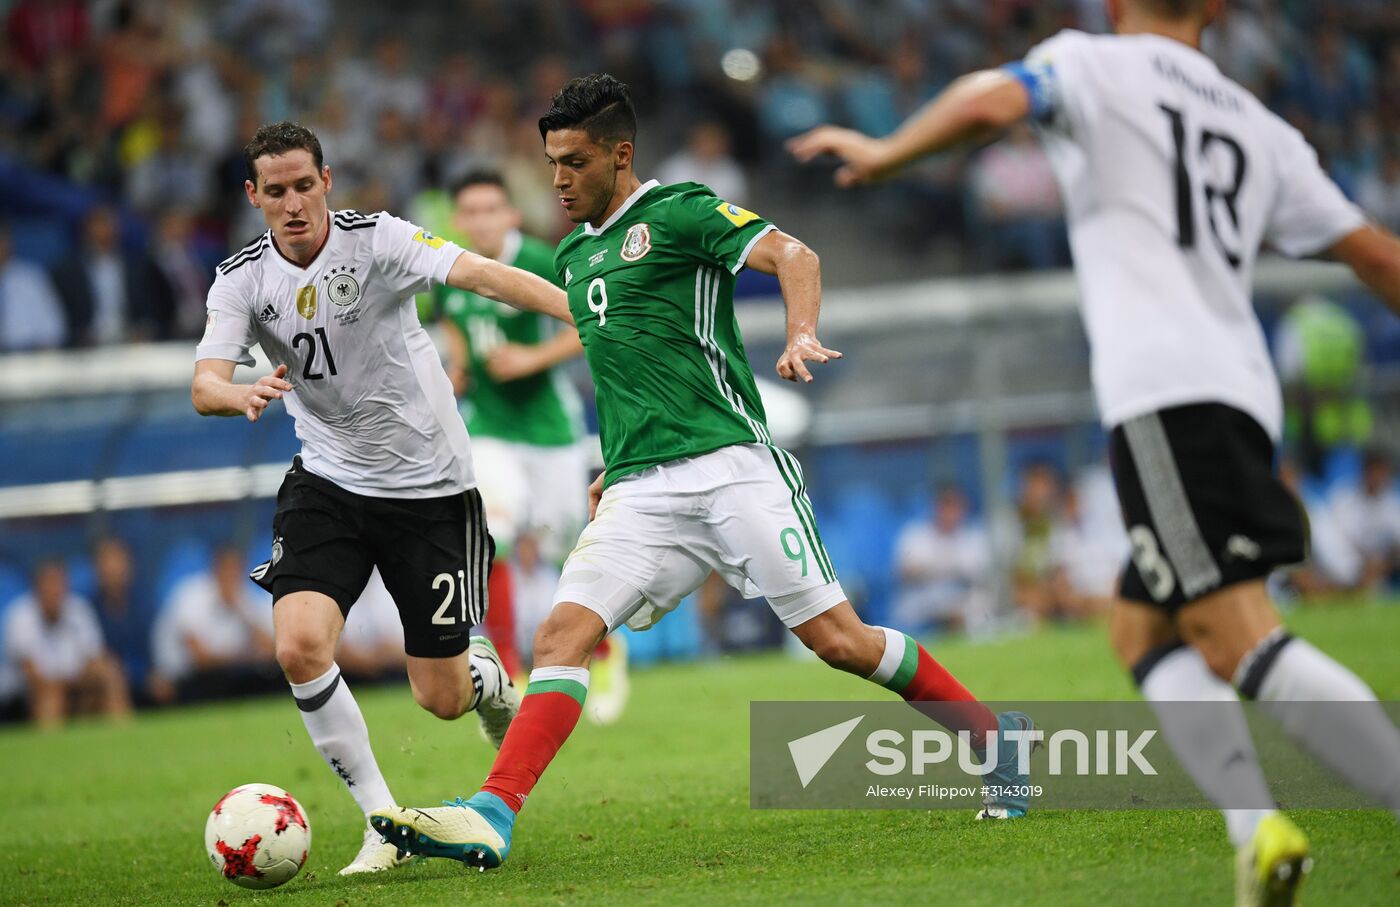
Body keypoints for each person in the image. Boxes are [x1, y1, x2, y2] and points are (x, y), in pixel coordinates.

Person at [790, 1, 1400, 903]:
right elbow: (1373, 251)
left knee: (1237, 634)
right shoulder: (1257, 123)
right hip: (1238, 388)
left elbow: (994, 102)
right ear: (1218, 12)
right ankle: (1255, 829)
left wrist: (888, 154)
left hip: (1168, 392)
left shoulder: (1092, 64)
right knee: (1140, 627)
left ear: (1116, 5)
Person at [370, 73, 1034, 871]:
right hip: (640, 489)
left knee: (840, 641)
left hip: (732, 469)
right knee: (562, 634)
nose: (558, 180)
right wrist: (612, 464)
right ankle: (493, 810)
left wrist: (799, 333)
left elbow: (796, 254)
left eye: (574, 162)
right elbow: (621, 371)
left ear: (621, 155)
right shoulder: (576, 254)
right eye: (551, 163)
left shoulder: (681, 210)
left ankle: (996, 739)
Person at [191, 120, 571, 876]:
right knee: (298, 643)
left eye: (305, 185)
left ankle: (486, 677)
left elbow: (481, 275)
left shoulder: (379, 240)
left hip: (431, 489)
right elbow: (204, 379)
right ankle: (382, 823)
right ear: (253, 196)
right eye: (276, 191)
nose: (294, 203)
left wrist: (581, 311)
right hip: (328, 479)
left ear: (327, 180)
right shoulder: (240, 278)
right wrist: (235, 394)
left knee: (441, 696)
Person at [2, 560, 130, 730]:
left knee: (110, 674)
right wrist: (67, 684)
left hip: (76, 683)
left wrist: (92, 678)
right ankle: (48, 747)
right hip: (30, 693)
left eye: (59, 584)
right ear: (37, 588)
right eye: (49, 584)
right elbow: (33, 676)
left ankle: (124, 737)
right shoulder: (20, 616)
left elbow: (94, 659)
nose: (55, 591)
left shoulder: (78, 609)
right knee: (51, 697)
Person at [151, 545, 279, 701]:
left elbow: (271, 650)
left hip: (229, 675)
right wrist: (245, 659)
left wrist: (243, 614)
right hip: (184, 679)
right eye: (227, 570)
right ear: (215, 569)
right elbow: (200, 659)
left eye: (237, 571)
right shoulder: (190, 595)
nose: (232, 576)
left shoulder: (243, 596)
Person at [890, 485, 993, 634]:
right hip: (922, 602)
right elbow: (903, 573)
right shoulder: (915, 533)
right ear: (936, 508)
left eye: (955, 507)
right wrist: (938, 567)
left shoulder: (973, 537)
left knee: (979, 604)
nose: (950, 514)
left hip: (959, 601)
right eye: (945, 506)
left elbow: (980, 575)